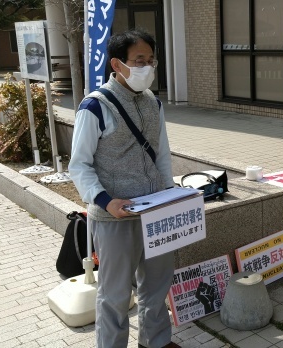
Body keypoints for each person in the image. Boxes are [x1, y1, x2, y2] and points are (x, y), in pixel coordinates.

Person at [68, 29, 180, 348]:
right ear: (117, 64)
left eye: (150, 59)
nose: (146, 66)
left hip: (155, 210)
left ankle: (155, 341)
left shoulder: (153, 104)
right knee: (115, 295)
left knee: (157, 285)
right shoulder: (94, 106)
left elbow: (161, 156)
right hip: (114, 215)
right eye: (139, 60)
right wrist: (105, 201)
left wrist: (170, 195)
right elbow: (79, 165)